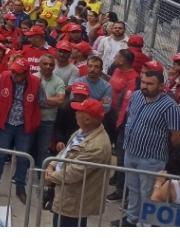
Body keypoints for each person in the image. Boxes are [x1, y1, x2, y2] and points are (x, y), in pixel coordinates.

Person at [112, 70, 180, 227]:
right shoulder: (136, 96)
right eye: (143, 82)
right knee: (133, 189)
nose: (145, 86)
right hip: (131, 152)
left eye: (150, 84)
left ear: (161, 86)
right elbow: (130, 117)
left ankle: (144, 226)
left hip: (151, 158)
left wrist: (159, 146)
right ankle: (131, 219)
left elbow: (176, 137)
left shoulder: (169, 106)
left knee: (148, 195)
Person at [0, 58, 48, 204]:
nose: (13, 74)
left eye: (18, 73)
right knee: (0, 155)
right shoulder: (3, 77)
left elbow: (42, 101)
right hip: (5, 122)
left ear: (26, 73)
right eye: (13, 71)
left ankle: (20, 188)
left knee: (22, 158)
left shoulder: (36, 82)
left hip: (25, 125)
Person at [45, 98, 112, 227]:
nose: (75, 113)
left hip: (74, 200)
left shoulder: (96, 145)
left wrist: (50, 178)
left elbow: (73, 173)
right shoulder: (83, 131)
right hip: (66, 194)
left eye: (79, 111)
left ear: (87, 119)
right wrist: (51, 165)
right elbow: (66, 151)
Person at [33, 54, 66, 169]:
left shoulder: (59, 81)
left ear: (54, 66)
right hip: (31, 120)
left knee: (43, 149)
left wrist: (39, 100)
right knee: (27, 148)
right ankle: (22, 174)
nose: (48, 66)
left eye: (51, 64)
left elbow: (60, 100)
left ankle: (40, 174)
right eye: (45, 64)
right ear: (39, 65)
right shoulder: (32, 78)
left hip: (48, 122)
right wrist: (51, 102)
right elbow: (29, 99)